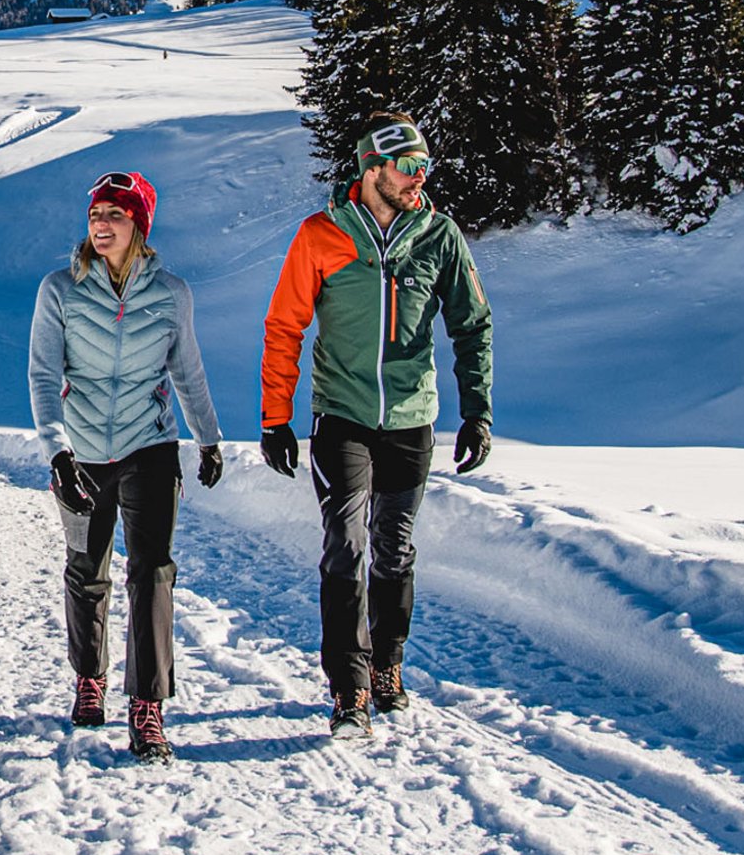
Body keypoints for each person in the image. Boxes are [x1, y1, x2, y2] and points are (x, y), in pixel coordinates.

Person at [259, 114, 493, 740]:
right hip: (341, 417)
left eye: (426, 168)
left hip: (413, 419)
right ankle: (349, 686)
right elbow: (285, 326)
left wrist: (478, 411)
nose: (420, 179)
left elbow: (472, 326)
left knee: (395, 547)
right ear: (372, 169)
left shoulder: (439, 236)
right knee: (347, 544)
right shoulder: (321, 236)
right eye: (408, 167)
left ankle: (388, 665)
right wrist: (275, 419)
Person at [29, 170, 224, 763]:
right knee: (87, 569)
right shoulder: (60, 289)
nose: (101, 225)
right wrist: (56, 451)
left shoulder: (171, 294)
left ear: (139, 224)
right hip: (81, 452)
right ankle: (90, 676)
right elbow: (42, 374)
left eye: (115, 214)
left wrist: (208, 439)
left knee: (152, 572)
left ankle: (148, 705)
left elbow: (187, 371)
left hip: (149, 446)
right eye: (95, 215)